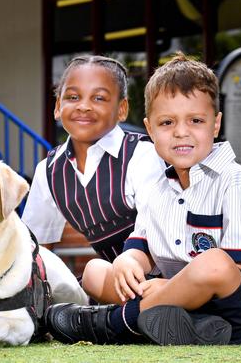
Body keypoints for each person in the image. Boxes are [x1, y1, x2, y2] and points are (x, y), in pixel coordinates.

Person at [46, 52, 241, 345]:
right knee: (95, 272)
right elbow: (141, 245)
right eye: (167, 123)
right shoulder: (158, 188)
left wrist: (169, 286)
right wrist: (128, 262)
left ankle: (116, 323)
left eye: (196, 120)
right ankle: (193, 327)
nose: (181, 132)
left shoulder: (238, 182)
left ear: (216, 124)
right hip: (176, 300)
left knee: (215, 263)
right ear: (150, 129)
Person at [21, 55, 165, 300]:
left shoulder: (142, 155)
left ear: (122, 109)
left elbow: (157, 230)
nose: (84, 106)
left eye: (99, 98)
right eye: (73, 97)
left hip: (171, 271)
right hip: (123, 286)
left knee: (97, 277)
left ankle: (155, 309)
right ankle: (149, 313)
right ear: (57, 107)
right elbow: (35, 248)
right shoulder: (49, 170)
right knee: (91, 275)